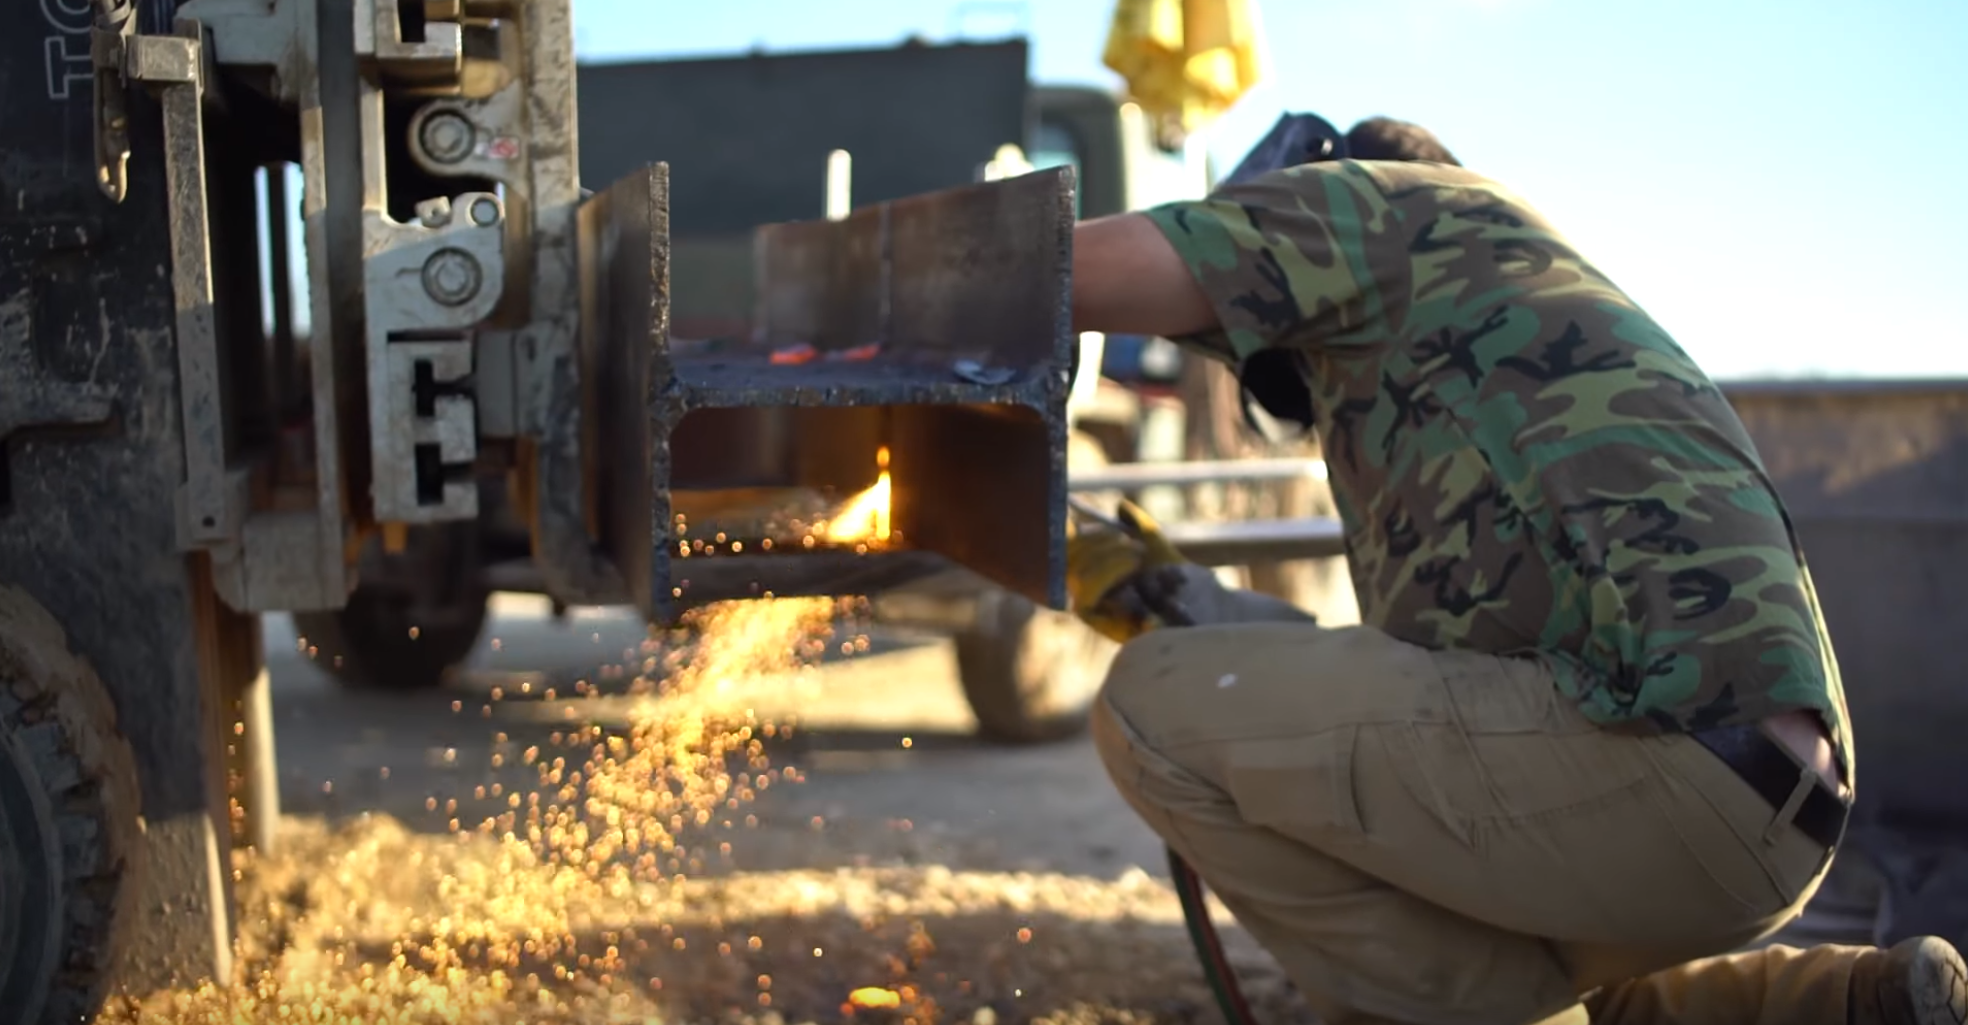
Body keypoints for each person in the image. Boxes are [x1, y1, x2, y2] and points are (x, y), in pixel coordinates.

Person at [1064, 115, 1968, 1025]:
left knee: (1147, 699)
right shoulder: (1503, 344)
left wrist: (922, 282)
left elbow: (1073, 272)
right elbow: (1418, 711)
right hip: (1766, 814)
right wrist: (1169, 592)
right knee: (1496, 957)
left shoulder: (1370, 200)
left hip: (1664, 760)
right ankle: (1843, 1005)